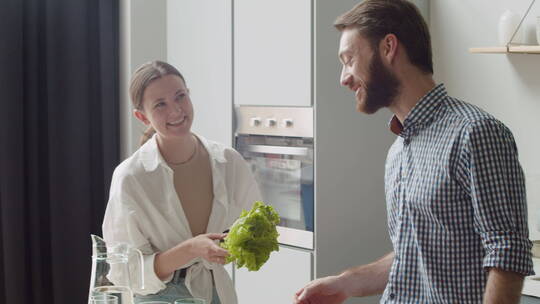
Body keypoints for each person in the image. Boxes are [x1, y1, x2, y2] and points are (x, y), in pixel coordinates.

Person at [294, 1, 534, 303]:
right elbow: (415, 253)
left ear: (388, 47)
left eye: (349, 59)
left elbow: (507, 251)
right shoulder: (399, 150)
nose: (344, 77)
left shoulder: (475, 133)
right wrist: (346, 284)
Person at [102, 60, 261, 304]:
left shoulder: (228, 161)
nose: (176, 110)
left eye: (180, 97)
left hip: (216, 292)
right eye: (160, 105)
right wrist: (191, 249)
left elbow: (256, 224)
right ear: (142, 116)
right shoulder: (130, 178)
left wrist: (237, 245)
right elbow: (125, 270)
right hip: (160, 297)